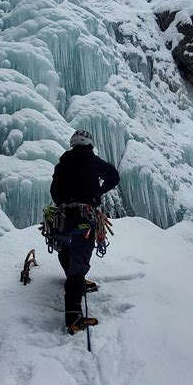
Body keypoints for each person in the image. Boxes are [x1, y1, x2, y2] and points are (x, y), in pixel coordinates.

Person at [50, 130, 120, 335]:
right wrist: (98, 192)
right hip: (84, 218)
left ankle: (75, 280)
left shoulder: (61, 164)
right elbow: (114, 177)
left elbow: (54, 192)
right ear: (89, 144)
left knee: (64, 245)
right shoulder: (92, 161)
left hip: (63, 218)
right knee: (79, 264)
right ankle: (73, 317)